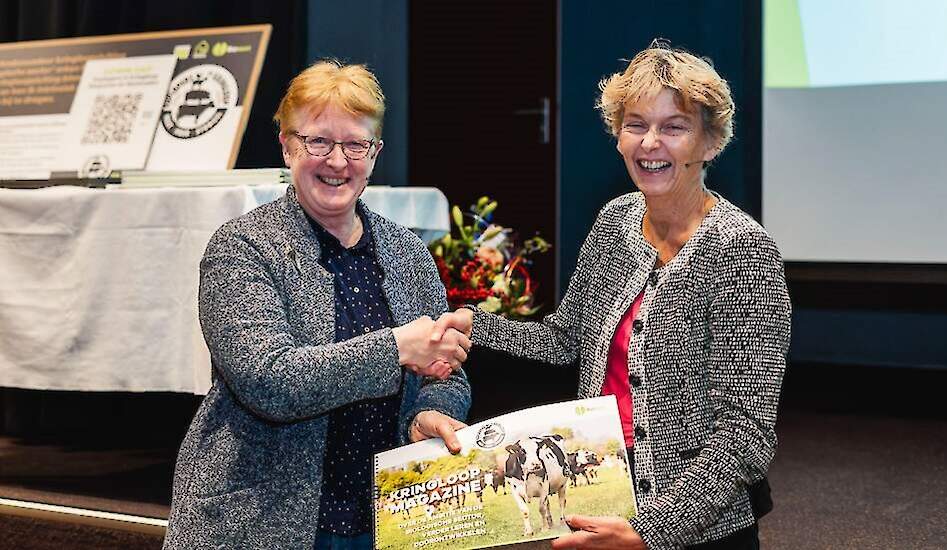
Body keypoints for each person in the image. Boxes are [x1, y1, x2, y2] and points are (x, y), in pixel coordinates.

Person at [435, 41, 791, 549]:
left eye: (674, 127)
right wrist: (476, 323)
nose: (650, 143)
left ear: (710, 143)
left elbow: (745, 434)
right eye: (636, 124)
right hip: (600, 497)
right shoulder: (615, 223)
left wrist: (651, 532)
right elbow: (566, 340)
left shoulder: (742, 250)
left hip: (697, 528)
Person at [163, 60, 472, 550]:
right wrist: (395, 348)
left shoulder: (408, 252)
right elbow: (269, 380)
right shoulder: (242, 247)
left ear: (375, 153)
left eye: (355, 144)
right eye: (318, 141)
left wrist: (428, 412)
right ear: (287, 145)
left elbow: (444, 371)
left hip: (385, 517)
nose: (337, 160)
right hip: (261, 518)